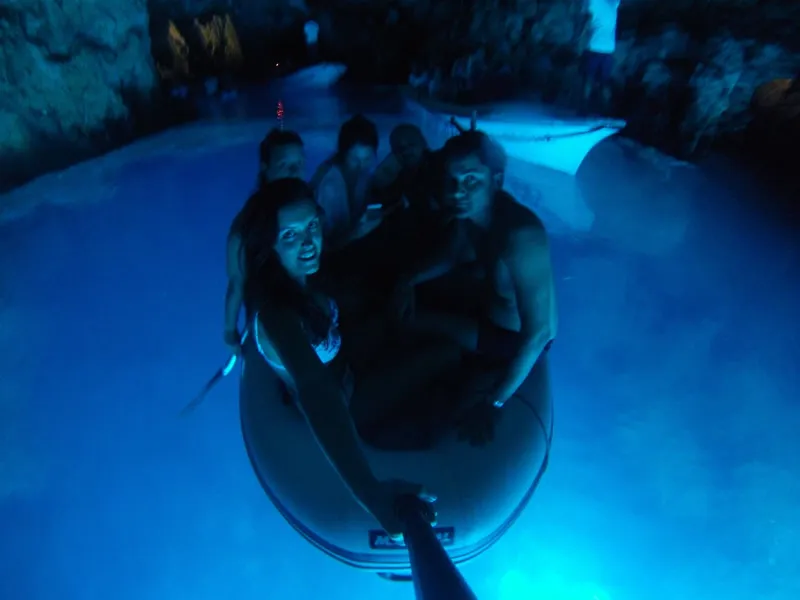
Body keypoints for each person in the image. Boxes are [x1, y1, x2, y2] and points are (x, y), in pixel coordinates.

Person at [237, 178, 436, 538]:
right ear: (269, 244)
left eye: (312, 225)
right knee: (440, 356)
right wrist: (370, 493)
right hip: (348, 400)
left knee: (406, 320)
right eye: (290, 235)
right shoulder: (277, 315)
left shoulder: (298, 276)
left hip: (346, 367)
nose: (308, 242)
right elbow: (316, 391)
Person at [390, 131, 558, 446]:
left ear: (496, 180)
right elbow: (453, 255)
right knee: (410, 303)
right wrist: (408, 279)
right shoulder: (471, 214)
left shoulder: (521, 237)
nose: (458, 192)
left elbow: (539, 333)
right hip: (488, 308)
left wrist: (495, 402)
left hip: (509, 339)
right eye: (452, 181)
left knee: (415, 324)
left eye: (471, 181)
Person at [224, 128, 306, 352]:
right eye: (284, 165)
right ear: (265, 168)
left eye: (300, 163)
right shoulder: (248, 225)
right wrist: (230, 331)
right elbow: (237, 282)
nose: (295, 171)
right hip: (273, 319)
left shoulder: (307, 205)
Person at [310, 114, 380, 250]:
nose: (361, 166)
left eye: (367, 159)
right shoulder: (328, 184)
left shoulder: (364, 175)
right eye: (355, 159)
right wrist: (359, 232)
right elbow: (328, 240)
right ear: (343, 154)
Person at [580, 0, 621, 114]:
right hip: (604, 48)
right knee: (602, 81)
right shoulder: (611, 3)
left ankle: (587, 107)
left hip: (596, 47)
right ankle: (603, 108)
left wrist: (580, 37)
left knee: (590, 79)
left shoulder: (607, 3)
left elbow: (584, 21)